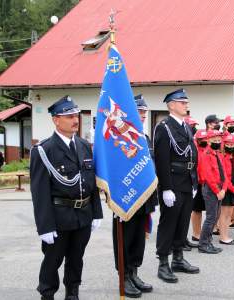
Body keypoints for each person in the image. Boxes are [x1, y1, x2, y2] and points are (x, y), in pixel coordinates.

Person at [30, 96, 103, 300]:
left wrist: (96, 212)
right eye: (69, 116)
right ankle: (47, 294)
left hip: (83, 215)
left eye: (76, 115)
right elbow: (40, 193)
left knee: (76, 259)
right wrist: (45, 226)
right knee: (52, 261)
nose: (75, 120)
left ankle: (73, 293)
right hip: (59, 218)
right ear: (56, 120)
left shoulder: (84, 145)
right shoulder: (44, 150)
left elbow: (91, 183)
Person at [154, 89, 199, 283]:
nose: (186, 105)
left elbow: (192, 155)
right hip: (172, 181)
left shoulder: (186, 127)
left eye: (186, 102)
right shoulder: (164, 127)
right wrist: (166, 188)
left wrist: (194, 180)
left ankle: (178, 258)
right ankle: (163, 263)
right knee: (169, 223)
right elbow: (162, 159)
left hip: (187, 181)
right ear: (171, 105)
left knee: (182, 222)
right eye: (182, 102)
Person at [111, 94, 154, 297]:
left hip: (143, 198)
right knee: (125, 238)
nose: (143, 116)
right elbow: (113, 171)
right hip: (125, 198)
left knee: (138, 238)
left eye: (145, 112)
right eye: (140, 112)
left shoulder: (143, 138)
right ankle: (124, 276)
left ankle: (134, 272)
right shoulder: (119, 138)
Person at [198, 129, 228, 254]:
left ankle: (209, 241)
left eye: (218, 139)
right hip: (211, 189)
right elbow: (208, 175)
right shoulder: (206, 155)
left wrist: (224, 189)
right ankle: (203, 244)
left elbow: (224, 173)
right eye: (214, 140)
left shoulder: (218, 154)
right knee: (211, 217)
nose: (217, 141)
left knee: (215, 215)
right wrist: (217, 191)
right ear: (208, 140)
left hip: (220, 189)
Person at [220, 133, 234, 245]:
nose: (230, 146)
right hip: (227, 188)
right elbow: (223, 176)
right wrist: (233, 188)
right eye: (228, 144)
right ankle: (223, 237)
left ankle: (226, 234)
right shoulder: (222, 157)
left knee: (230, 213)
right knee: (224, 213)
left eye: (232, 144)